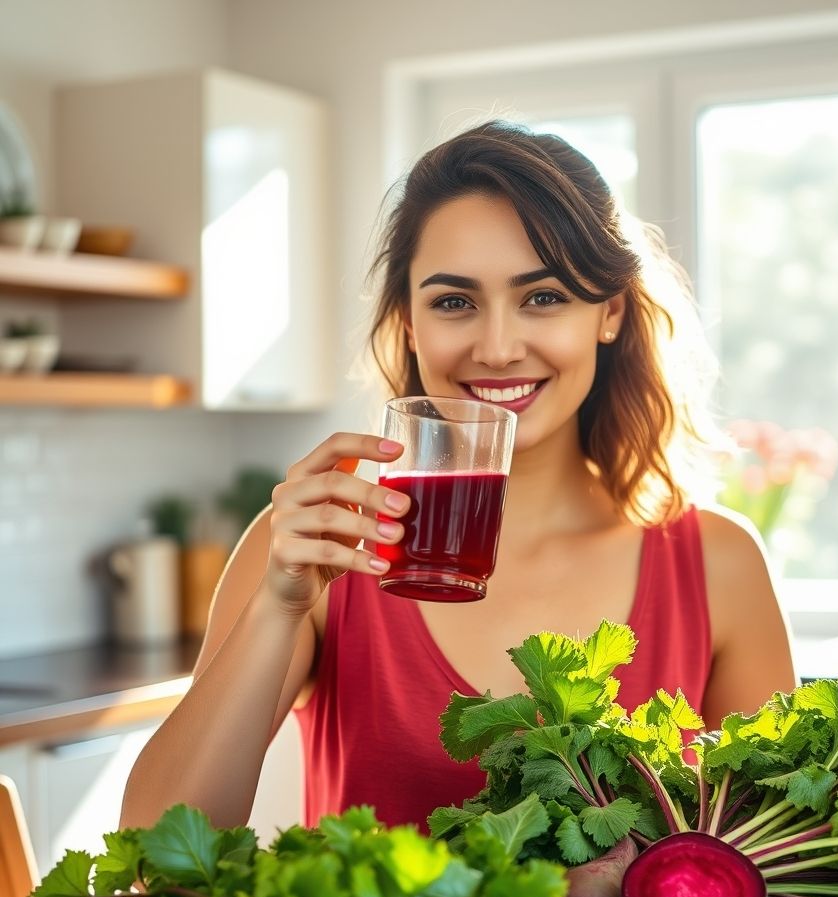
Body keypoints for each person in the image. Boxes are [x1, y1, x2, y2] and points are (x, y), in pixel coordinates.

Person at [121, 121, 797, 833]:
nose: (498, 348)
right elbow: (153, 844)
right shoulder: (319, 544)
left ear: (610, 312)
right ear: (409, 323)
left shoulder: (719, 565)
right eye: (453, 302)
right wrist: (276, 609)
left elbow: (771, 857)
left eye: (543, 297)